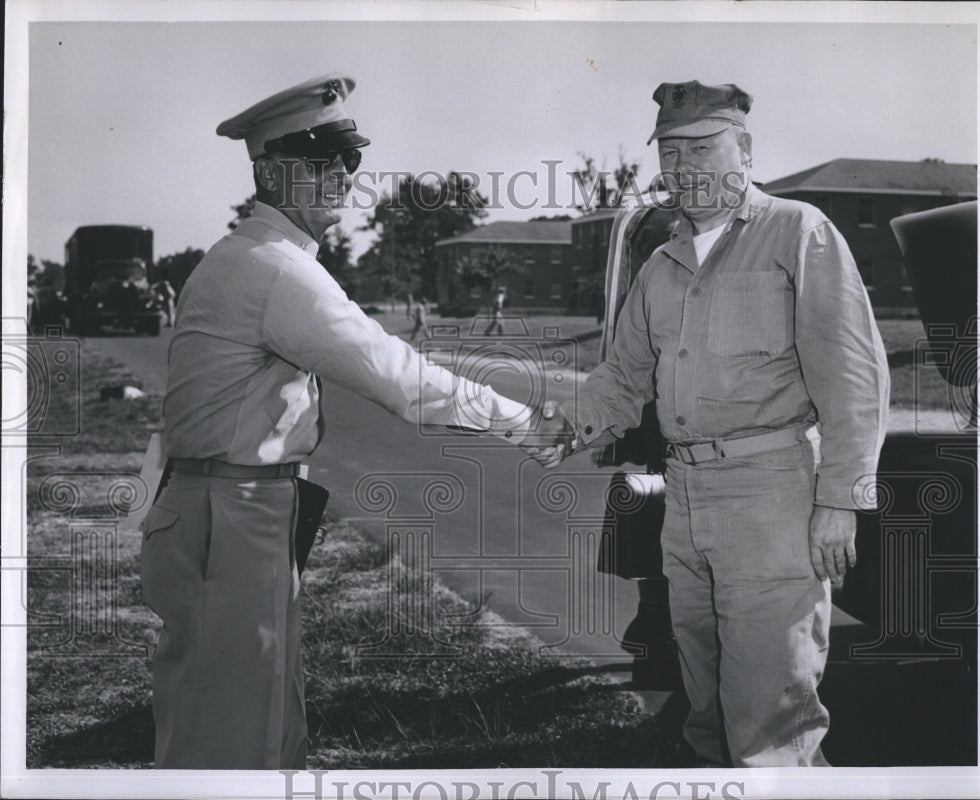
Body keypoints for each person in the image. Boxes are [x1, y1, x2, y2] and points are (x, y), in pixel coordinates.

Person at [141, 72, 541, 770]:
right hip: (234, 513)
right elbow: (401, 380)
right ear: (269, 171)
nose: (343, 178)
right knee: (243, 738)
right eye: (321, 162)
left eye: (350, 162)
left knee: (224, 717)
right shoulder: (275, 269)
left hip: (215, 503)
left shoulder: (255, 257)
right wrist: (528, 422)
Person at [524, 80, 889, 767]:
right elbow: (622, 378)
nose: (684, 167)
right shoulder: (661, 265)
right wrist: (565, 427)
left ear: (743, 150)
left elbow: (855, 376)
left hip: (771, 495)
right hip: (685, 498)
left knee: (771, 719)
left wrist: (841, 499)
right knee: (706, 709)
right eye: (670, 151)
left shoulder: (797, 231)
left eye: (702, 147)